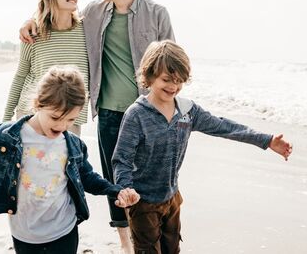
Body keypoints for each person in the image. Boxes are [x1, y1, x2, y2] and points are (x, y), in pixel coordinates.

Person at [19, 0, 174, 252]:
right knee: (114, 177)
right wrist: (29, 22)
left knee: (149, 176)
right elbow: (58, 15)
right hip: (108, 111)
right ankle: (126, 243)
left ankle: (153, 235)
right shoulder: (94, 13)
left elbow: (172, 60)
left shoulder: (156, 13)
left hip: (148, 112)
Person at [0, 66, 140, 254]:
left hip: (65, 230)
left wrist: (115, 190)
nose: (61, 126)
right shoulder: (5, 136)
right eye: (55, 117)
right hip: (24, 234)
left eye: (70, 120)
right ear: (38, 104)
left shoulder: (72, 144)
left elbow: (88, 178)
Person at [112, 40, 293, 254]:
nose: (173, 86)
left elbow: (223, 126)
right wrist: (125, 188)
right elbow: (121, 159)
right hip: (143, 202)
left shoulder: (187, 111)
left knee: (172, 249)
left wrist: (266, 140)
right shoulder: (137, 115)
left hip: (172, 198)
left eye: (179, 81)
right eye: (166, 79)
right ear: (149, 76)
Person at [4, 0, 89, 136]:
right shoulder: (33, 33)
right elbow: (21, 75)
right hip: (32, 115)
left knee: (66, 161)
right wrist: (6, 119)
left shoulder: (86, 30)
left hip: (70, 117)